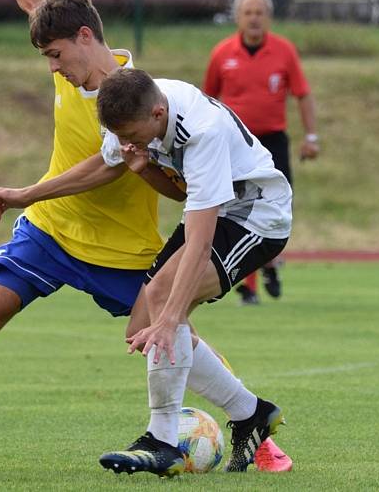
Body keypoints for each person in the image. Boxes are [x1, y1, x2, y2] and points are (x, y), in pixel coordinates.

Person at [0, 0, 289, 472]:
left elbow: (187, 202)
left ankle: (251, 422)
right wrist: (26, 195)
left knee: (164, 324)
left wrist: (145, 177)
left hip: (139, 241)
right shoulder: (80, 75)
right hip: (53, 229)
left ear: (86, 39)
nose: (53, 69)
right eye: (47, 56)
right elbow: (103, 161)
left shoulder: (139, 98)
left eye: (56, 56)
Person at [94, 68, 293, 476]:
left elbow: (200, 243)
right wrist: (27, 195)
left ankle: (162, 441)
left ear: (158, 114)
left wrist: (170, 320)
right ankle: (250, 412)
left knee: (165, 308)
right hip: (217, 208)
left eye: (133, 136)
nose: (127, 144)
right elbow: (110, 167)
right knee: (141, 326)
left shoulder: (203, 133)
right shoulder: (131, 115)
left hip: (257, 213)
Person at [203, 0, 320, 304]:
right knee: (235, 209)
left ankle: (268, 261)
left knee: (277, 208)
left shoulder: (284, 51)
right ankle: (248, 284)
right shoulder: (222, 53)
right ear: (238, 17)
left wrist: (312, 137)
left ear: (269, 17)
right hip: (235, 143)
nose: (254, 19)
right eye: (248, 13)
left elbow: (303, 94)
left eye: (259, 13)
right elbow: (206, 101)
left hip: (271, 142)